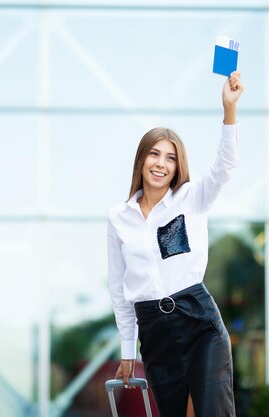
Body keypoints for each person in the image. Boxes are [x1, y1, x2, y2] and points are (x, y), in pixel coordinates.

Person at [107, 71, 244, 417]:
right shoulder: (118, 218)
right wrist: (128, 349)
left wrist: (229, 109)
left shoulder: (191, 199)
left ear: (177, 165)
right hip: (154, 332)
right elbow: (119, 289)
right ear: (141, 160)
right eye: (155, 154)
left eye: (170, 157)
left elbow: (225, 166)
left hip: (198, 322)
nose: (161, 164)